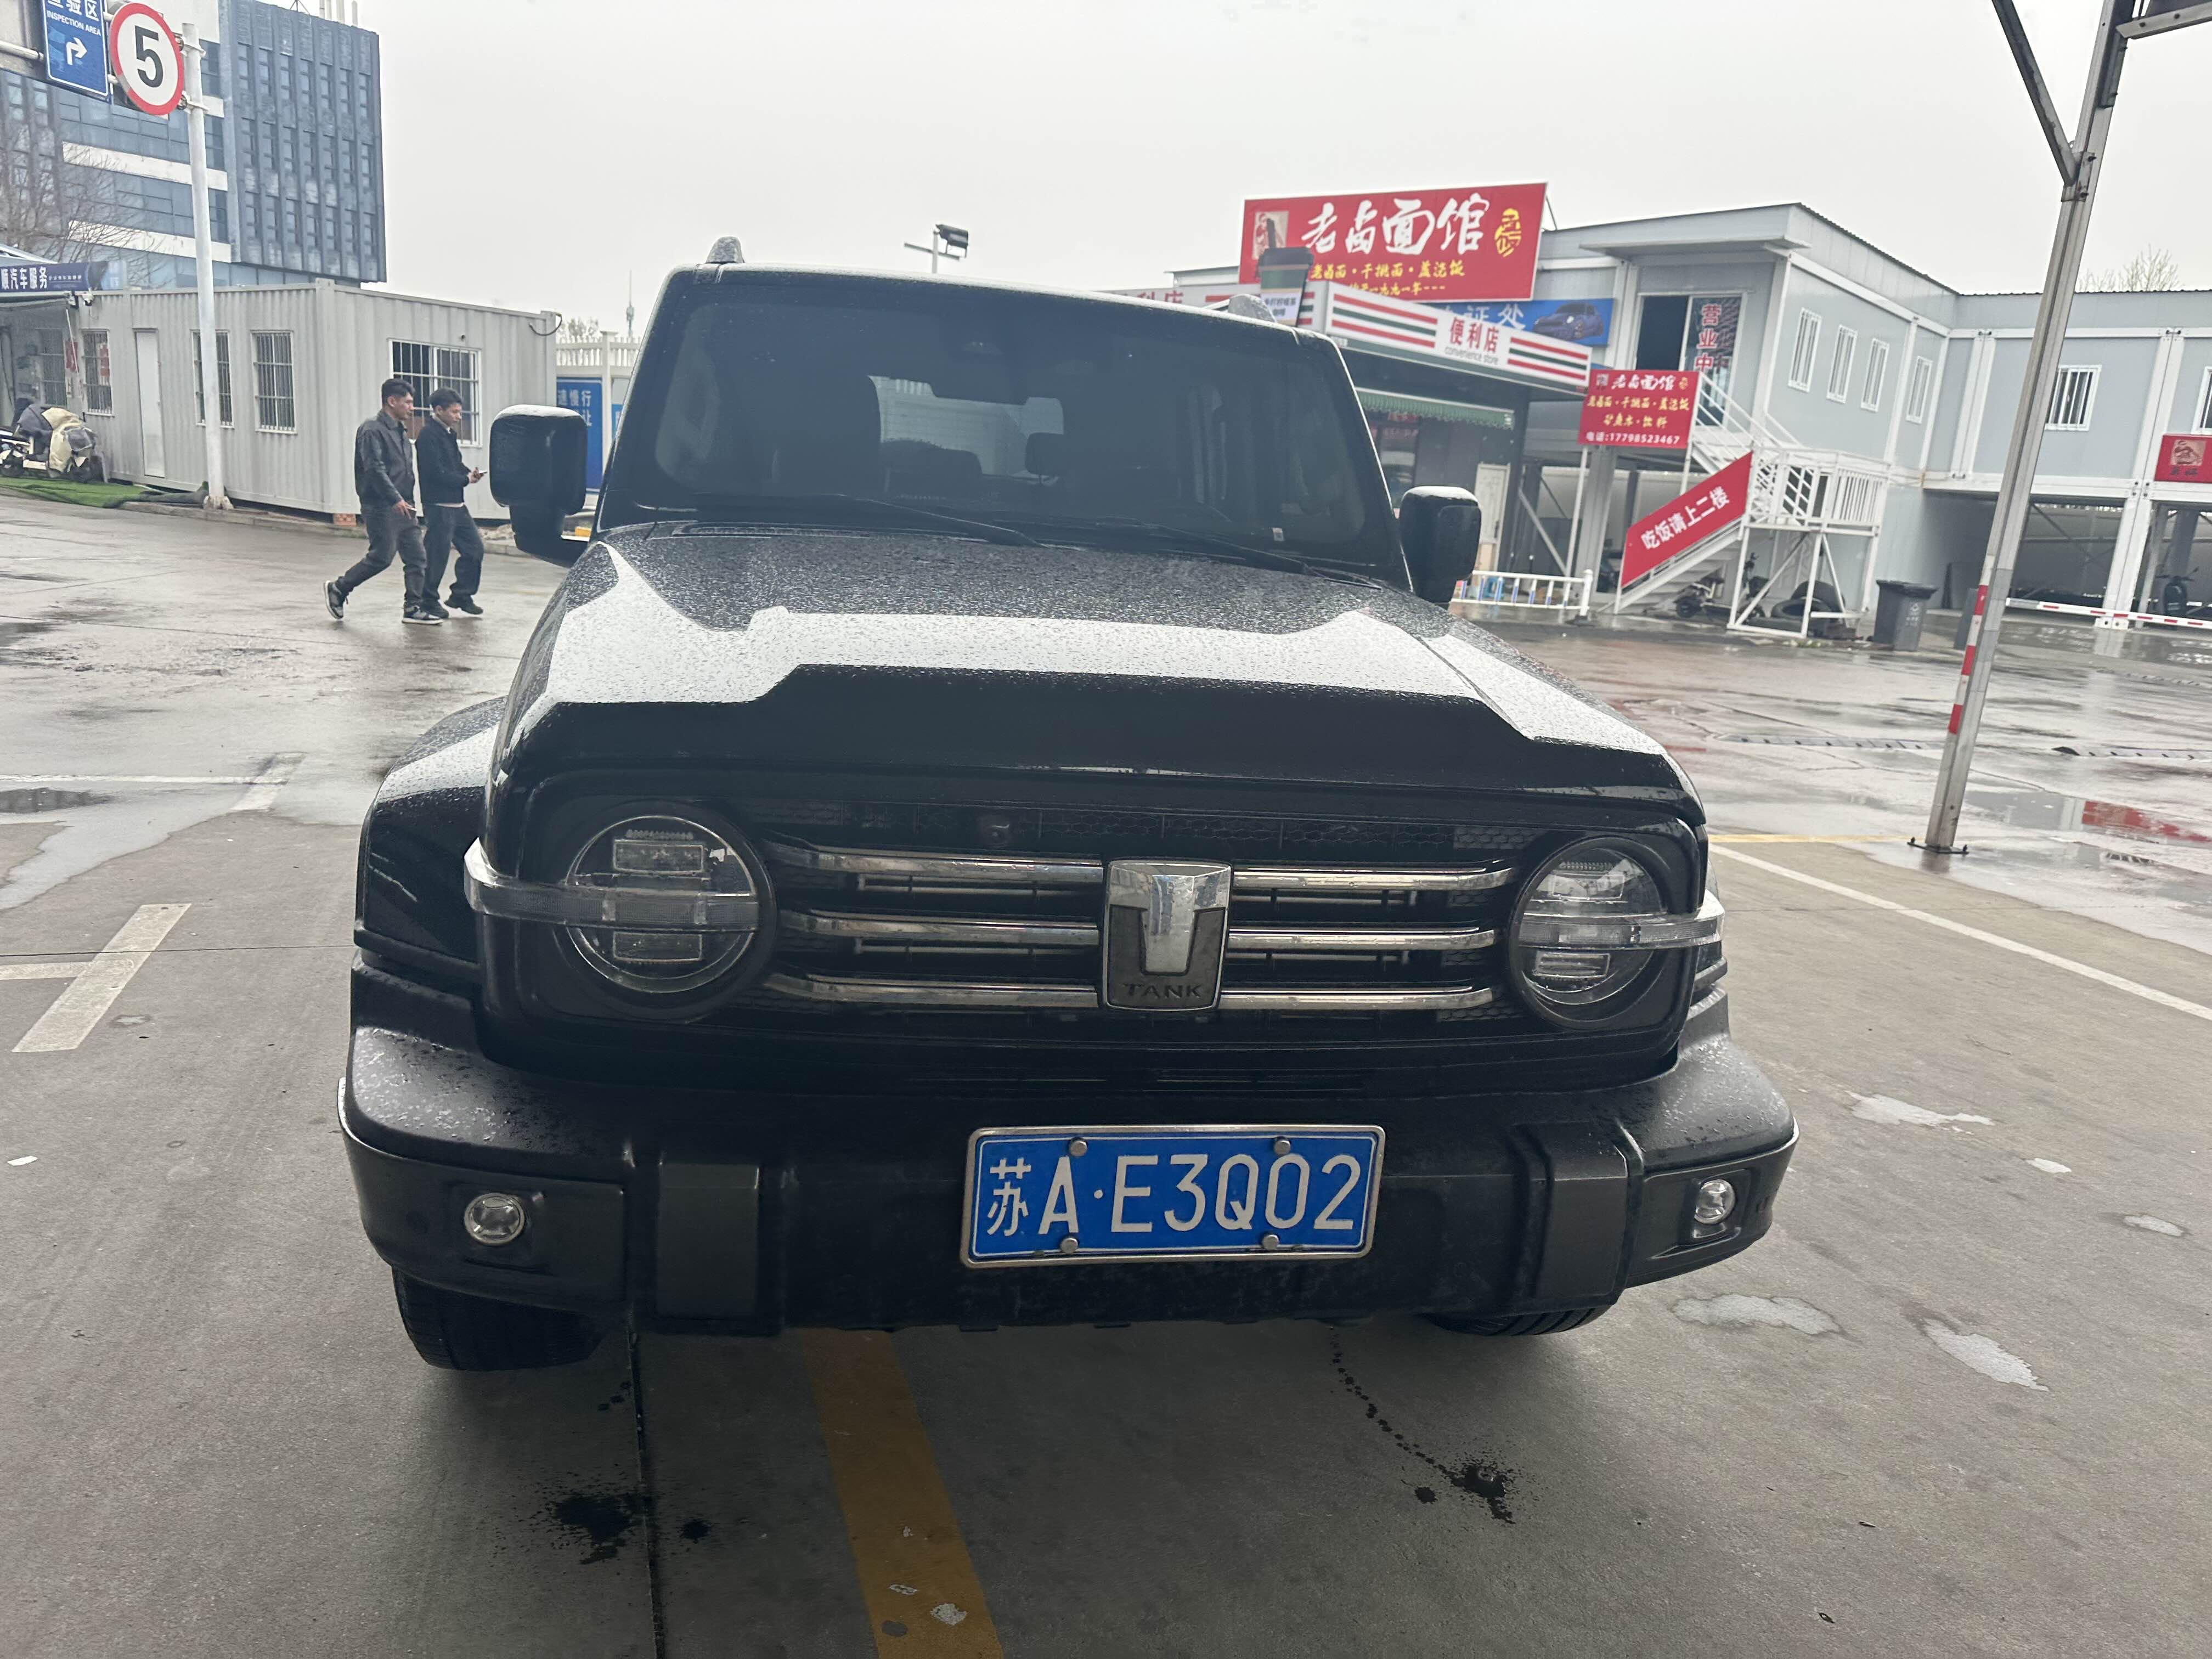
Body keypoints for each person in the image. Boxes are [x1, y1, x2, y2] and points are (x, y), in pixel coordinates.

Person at [325, 377, 441, 625]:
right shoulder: (372, 430)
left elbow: (404, 471)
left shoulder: (400, 431)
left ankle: (413, 608)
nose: (412, 408)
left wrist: (407, 500)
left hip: (405, 505)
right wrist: (394, 499)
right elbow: (374, 469)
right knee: (382, 556)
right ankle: (339, 587)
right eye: (407, 402)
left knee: (417, 557)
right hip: (381, 506)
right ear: (392, 401)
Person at [416, 388, 487, 616]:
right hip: (438, 506)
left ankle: (461, 595)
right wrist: (464, 480)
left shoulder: (448, 434)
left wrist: (470, 473)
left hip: (457, 505)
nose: (458, 417)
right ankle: (427, 600)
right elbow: (436, 473)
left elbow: (455, 464)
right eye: (454, 412)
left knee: (474, 549)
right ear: (439, 410)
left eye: (460, 412)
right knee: (437, 556)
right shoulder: (428, 436)